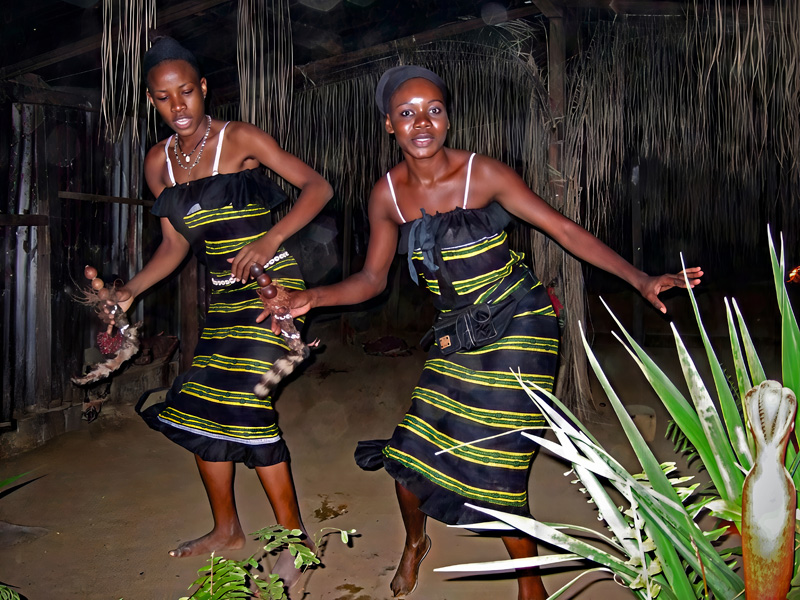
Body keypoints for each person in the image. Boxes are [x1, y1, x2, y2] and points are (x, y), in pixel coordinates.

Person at [263, 65, 702, 599]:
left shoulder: (483, 174)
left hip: (521, 320)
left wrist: (640, 278)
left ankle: (530, 585)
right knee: (407, 454)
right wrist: (313, 296)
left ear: (447, 118)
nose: (421, 122)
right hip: (457, 331)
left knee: (495, 458)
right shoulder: (387, 197)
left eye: (433, 110)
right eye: (407, 113)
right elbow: (371, 280)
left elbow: (561, 228)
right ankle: (414, 543)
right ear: (389, 126)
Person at [114, 36, 333, 588]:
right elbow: (174, 247)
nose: (179, 106)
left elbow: (317, 187)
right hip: (223, 296)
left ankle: (295, 539)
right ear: (151, 100)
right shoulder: (158, 163)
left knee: (245, 402)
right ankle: (227, 530)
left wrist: (269, 239)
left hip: (273, 289)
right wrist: (129, 292)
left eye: (186, 92)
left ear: (203, 88)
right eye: (165, 98)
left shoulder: (240, 138)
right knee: (197, 405)